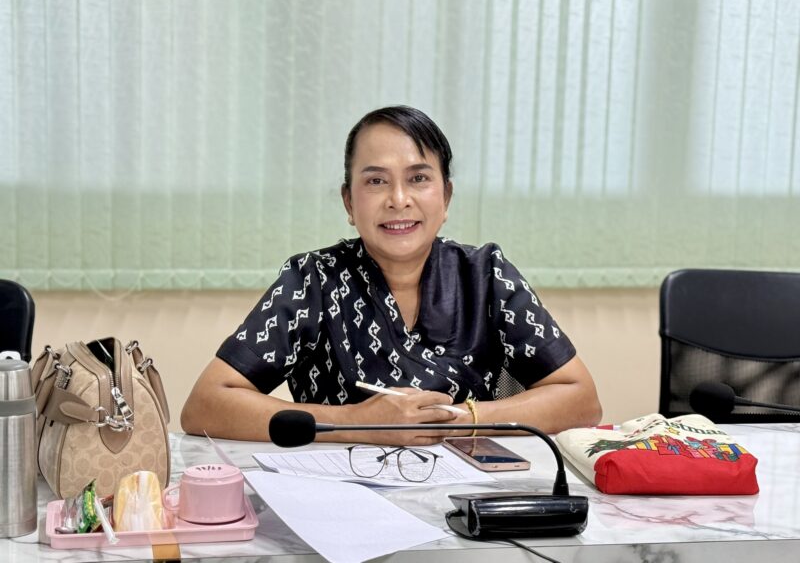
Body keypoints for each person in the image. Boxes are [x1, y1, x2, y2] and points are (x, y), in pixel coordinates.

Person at [181, 105, 602, 445]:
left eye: (418, 178)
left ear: (446, 196)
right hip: (339, 495)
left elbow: (580, 400)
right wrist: (358, 423)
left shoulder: (485, 275)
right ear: (349, 203)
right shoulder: (313, 280)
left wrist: (455, 419)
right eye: (376, 181)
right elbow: (205, 406)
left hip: (466, 493)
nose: (398, 199)